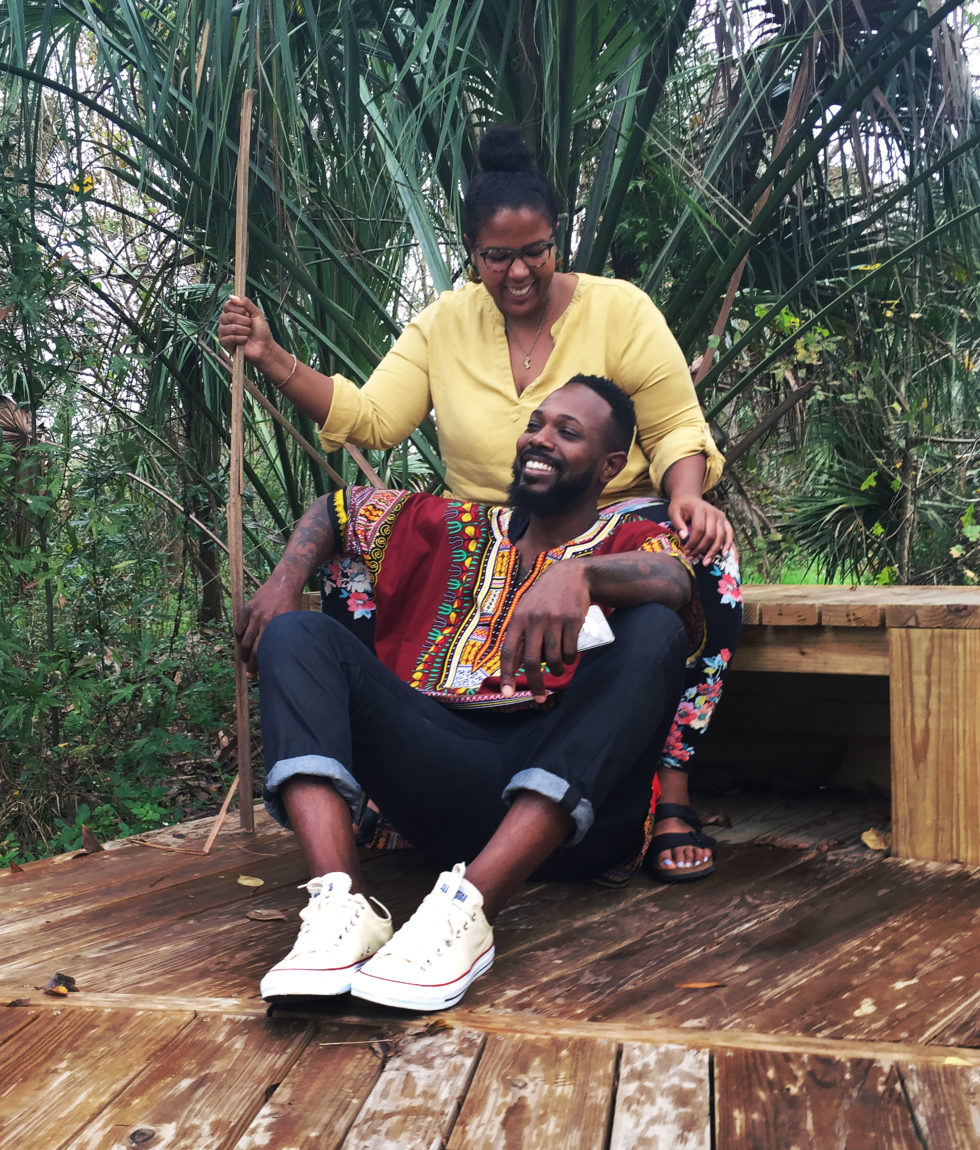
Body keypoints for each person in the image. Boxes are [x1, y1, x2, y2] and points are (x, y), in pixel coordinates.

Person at [219, 124, 740, 882]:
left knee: (700, 568)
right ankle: (383, 778)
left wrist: (687, 499)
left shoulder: (618, 309)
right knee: (349, 574)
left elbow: (673, 424)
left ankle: (671, 790)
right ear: (472, 253)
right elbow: (370, 419)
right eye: (498, 256)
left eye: (537, 250)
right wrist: (271, 355)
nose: (520, 270)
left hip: (615, 524)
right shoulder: (444, 324)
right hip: (493, 528)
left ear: (557, 241)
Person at [239, 377, 702, 1010]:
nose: (540, 439)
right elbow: (336, 509)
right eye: (536, 424)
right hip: (446, 778)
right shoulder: (454, 524)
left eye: (568, 432)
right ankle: (340, 909)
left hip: (575, 822)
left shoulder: (631, 544)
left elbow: (675, 580)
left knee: (656, 627)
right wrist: (285, 580)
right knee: (296, 635)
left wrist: (580, 573)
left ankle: (467, 909)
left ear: (609, 466)